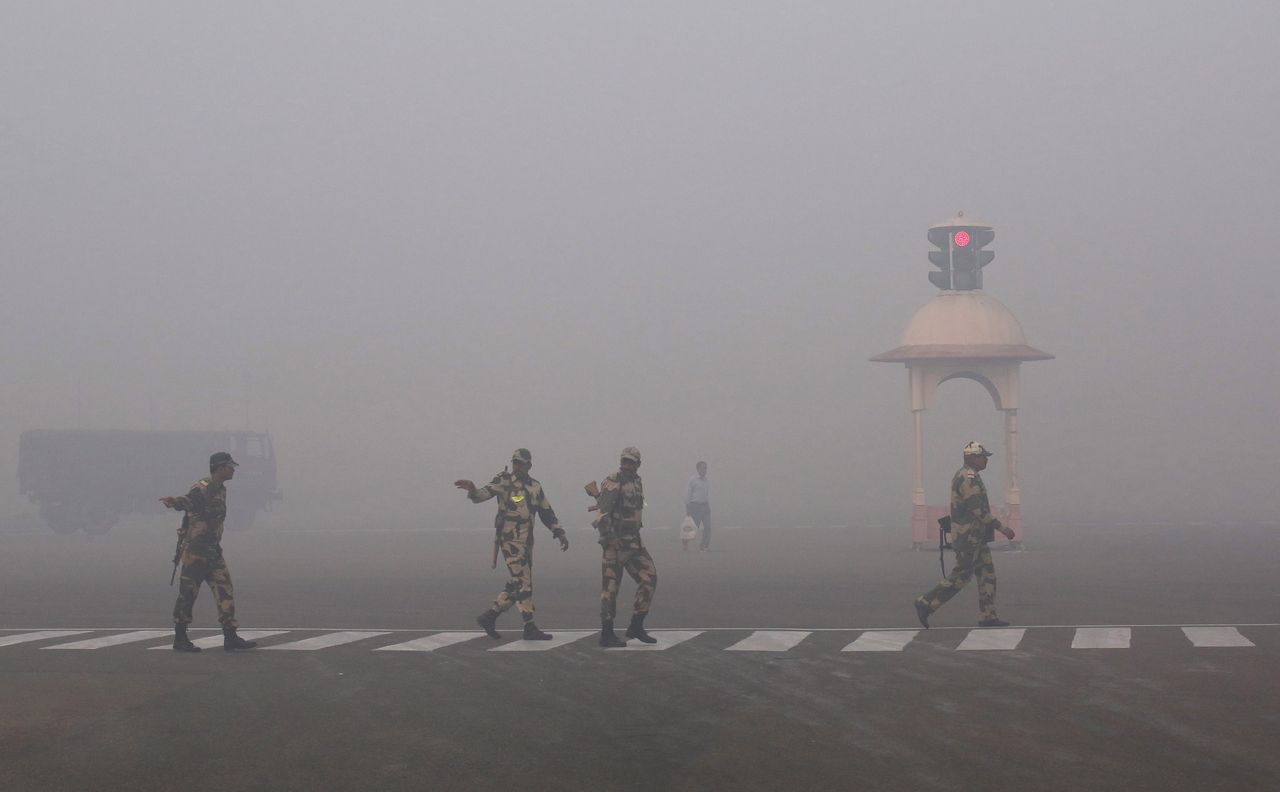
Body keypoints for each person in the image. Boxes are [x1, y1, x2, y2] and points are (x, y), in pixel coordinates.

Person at [455, 448, 568, 641]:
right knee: (524, 584)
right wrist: (473, 490)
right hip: (510, 542)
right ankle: (529, 626)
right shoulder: (504, 481)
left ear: (529, 465)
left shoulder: (535, 486)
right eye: (515, 462)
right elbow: (483, 494)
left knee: (516, 584)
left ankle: (489, 616)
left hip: (526, 542)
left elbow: (546, 511)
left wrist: (558, 532)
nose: (517, 466)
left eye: (520, 463)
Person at [160, 451, 258, 652]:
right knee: (188, 595)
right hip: (196, 552)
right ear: (220, 467)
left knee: (225, 590)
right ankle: (180, 637)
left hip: (213, 551)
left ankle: (230, 636)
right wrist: (175, 502)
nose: (233, 470)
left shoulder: (221, 489)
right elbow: (189, 502)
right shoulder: (203, 487)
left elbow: (193, 512)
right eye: (230, 466)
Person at [914, 442, 1016, 629]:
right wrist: (1003, 528)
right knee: (961, 576)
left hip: (976, 537)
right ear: (970, 458)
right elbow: (977, 509)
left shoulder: (972, 476)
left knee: (987, 575)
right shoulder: (967, 478)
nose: (985, 460)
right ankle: (926, 603)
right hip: (968, 537)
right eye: (982, 456)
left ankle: (988, 615)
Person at [593, 447, 657, 647]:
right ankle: (607, 633)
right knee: (611, 589)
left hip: (633, 542)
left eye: (631, 462)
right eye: (625, 461)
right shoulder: (613, 480)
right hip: (615, 544)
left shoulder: (637, 482)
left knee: (650, 578)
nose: (627, 465)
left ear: (638, 464)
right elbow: (602, 516)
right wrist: (610, 537)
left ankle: (636, 625)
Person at [685, 460, 711, 550]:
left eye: (706, 468)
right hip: (695, 506)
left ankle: (704, 545)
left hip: (705, 506)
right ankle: (685, 540)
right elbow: (688, 493)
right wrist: (688, 507)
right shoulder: (692, 480)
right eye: (703, 468)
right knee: (693, 527)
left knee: (707, 526)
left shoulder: (706, 480)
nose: (705, 470)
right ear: (698, 469)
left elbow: (706, 494)